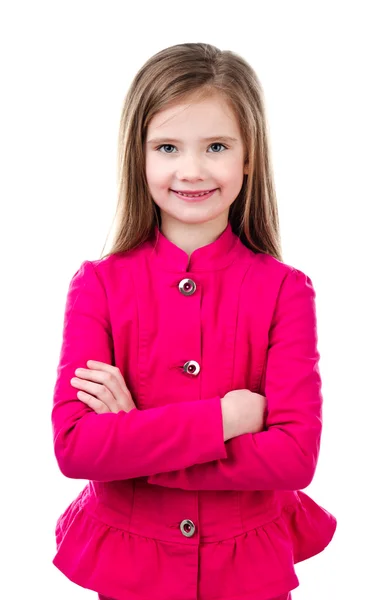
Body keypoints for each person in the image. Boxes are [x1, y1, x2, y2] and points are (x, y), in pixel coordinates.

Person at [51, 42, 337, 600]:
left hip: (246, 568)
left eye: (216, 146)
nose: (192, 169)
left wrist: (135, 437)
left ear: (249, 156)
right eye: (167, 147)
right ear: (140, 157)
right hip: (131, 566)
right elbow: (77, 448)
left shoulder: (286, 291)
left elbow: (296, 457)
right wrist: (223, 419)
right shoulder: (99, 285)